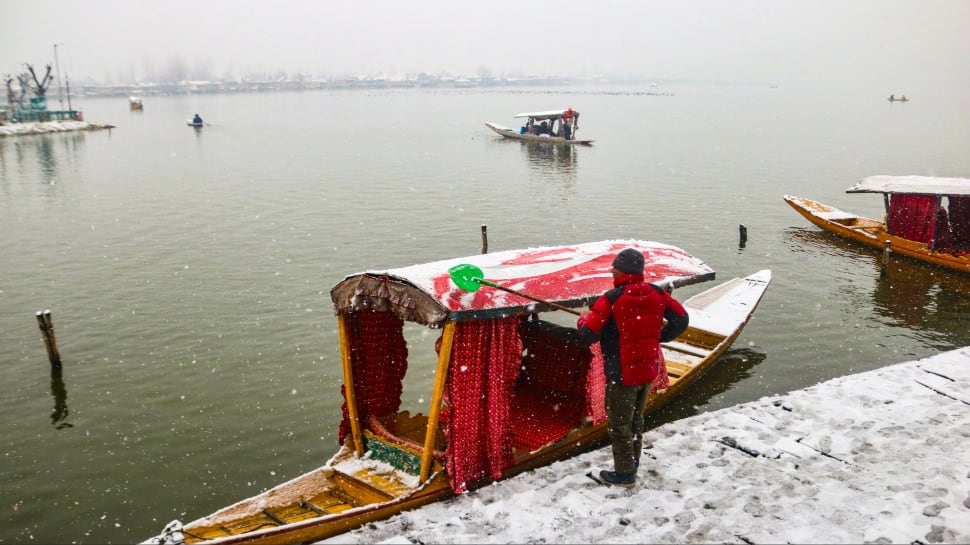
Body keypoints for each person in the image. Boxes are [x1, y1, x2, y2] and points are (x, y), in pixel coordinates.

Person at [576, 248, 689, 487]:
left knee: (619, 425)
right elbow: (681, 319)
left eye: (614, 268)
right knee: (636, 419)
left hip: (622, 374)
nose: (611, 271)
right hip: (648, 370)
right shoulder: (657, 293)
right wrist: (660, 337)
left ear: (621, 271)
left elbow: (588, 334)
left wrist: (583, 318)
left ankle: (625, 474)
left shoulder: (611, 298)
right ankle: (633, 462)